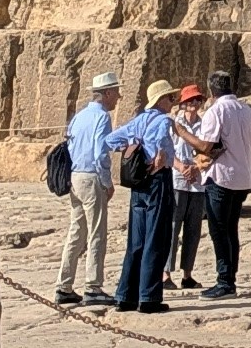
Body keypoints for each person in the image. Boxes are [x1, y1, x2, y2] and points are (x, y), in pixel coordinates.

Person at [109, 80, 178, 313]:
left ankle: (126, 296)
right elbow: (161, 145)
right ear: (161, 100)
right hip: (158, 179)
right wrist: (156, 157)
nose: (173, 102)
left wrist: (133, 147)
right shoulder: (163, 120)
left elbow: (111, 140)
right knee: (156, 238)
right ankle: (149, 297)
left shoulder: (138, 121)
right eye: (170, 98)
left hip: (138, 182)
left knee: (136, 240)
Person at [54, 71, 121, 307]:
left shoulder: (79, 116)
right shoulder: (102, 117)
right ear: (108, 93)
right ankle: (93, 286)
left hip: (75, 176)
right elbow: (100, 152)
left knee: (76, 231)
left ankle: (64, 285)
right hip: (92, 177)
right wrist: (107, 182)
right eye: (116, 92)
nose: (118, 97)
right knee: (96, 233)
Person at [189, 76, 251, 300]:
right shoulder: (247, 111)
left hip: (221, 177)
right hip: (242, 176)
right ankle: (229, 278)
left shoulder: (216, 111)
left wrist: (181, 132)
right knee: (230, 229)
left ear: (212, 91)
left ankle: (225, 282)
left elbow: (205, 146)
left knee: (219, 230)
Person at [168, 83, 210, 291]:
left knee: (193, 230)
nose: (194, 103)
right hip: (177, 179)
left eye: (197, 100)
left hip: (197, 183)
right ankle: (165, 273)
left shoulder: (205, 125)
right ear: (183, 103)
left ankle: (187, 274)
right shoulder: (174, 125)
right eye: (190, 100)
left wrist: (195, 168)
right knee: (172, 228)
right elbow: (167, 149)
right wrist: (181, 167)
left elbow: (208, 151)